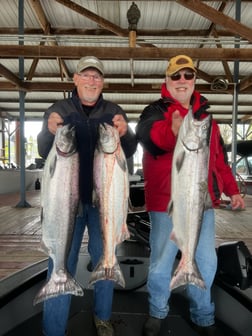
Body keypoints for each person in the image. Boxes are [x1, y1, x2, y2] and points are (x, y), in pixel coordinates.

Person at [136, 55, 245, 336]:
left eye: (188, 76)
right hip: (165, 205)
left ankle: (203, 315)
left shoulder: (208, 119)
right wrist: (172, 131)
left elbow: (219, 160)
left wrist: (233, 190)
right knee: (161, 263)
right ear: (166, 81)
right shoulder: (153, 111)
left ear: (194, 80)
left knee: (207, 262)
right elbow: (150, 138)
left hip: (203, 204)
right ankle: (157, 311)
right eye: (176, 76)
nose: (182, 81)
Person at [37, 56, 137, 336]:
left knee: (106, 256)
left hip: (102, 205)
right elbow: (45, 151)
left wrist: (126, 134)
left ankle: (103, 317)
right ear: (76, 79)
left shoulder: (114, 111)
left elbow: (128, 152)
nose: (92, 81)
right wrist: (48, 131)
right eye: (87, 75)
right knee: (60, 259)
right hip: (64, 202)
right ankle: (53, 329)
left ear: (102, 82)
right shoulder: (58, 109)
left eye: (97, 76)